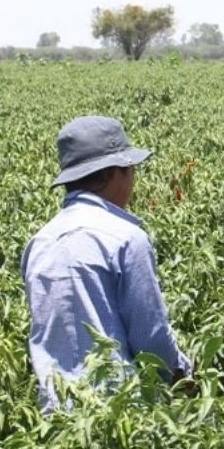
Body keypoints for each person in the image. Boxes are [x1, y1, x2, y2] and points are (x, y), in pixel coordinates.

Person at [21, 116, 193, 412]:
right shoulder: (126, 239)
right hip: (117, 414)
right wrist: (182, 375)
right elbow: (151, 339)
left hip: (55, 414)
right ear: (113, 174)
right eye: (130, 170)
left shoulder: (39, 242)